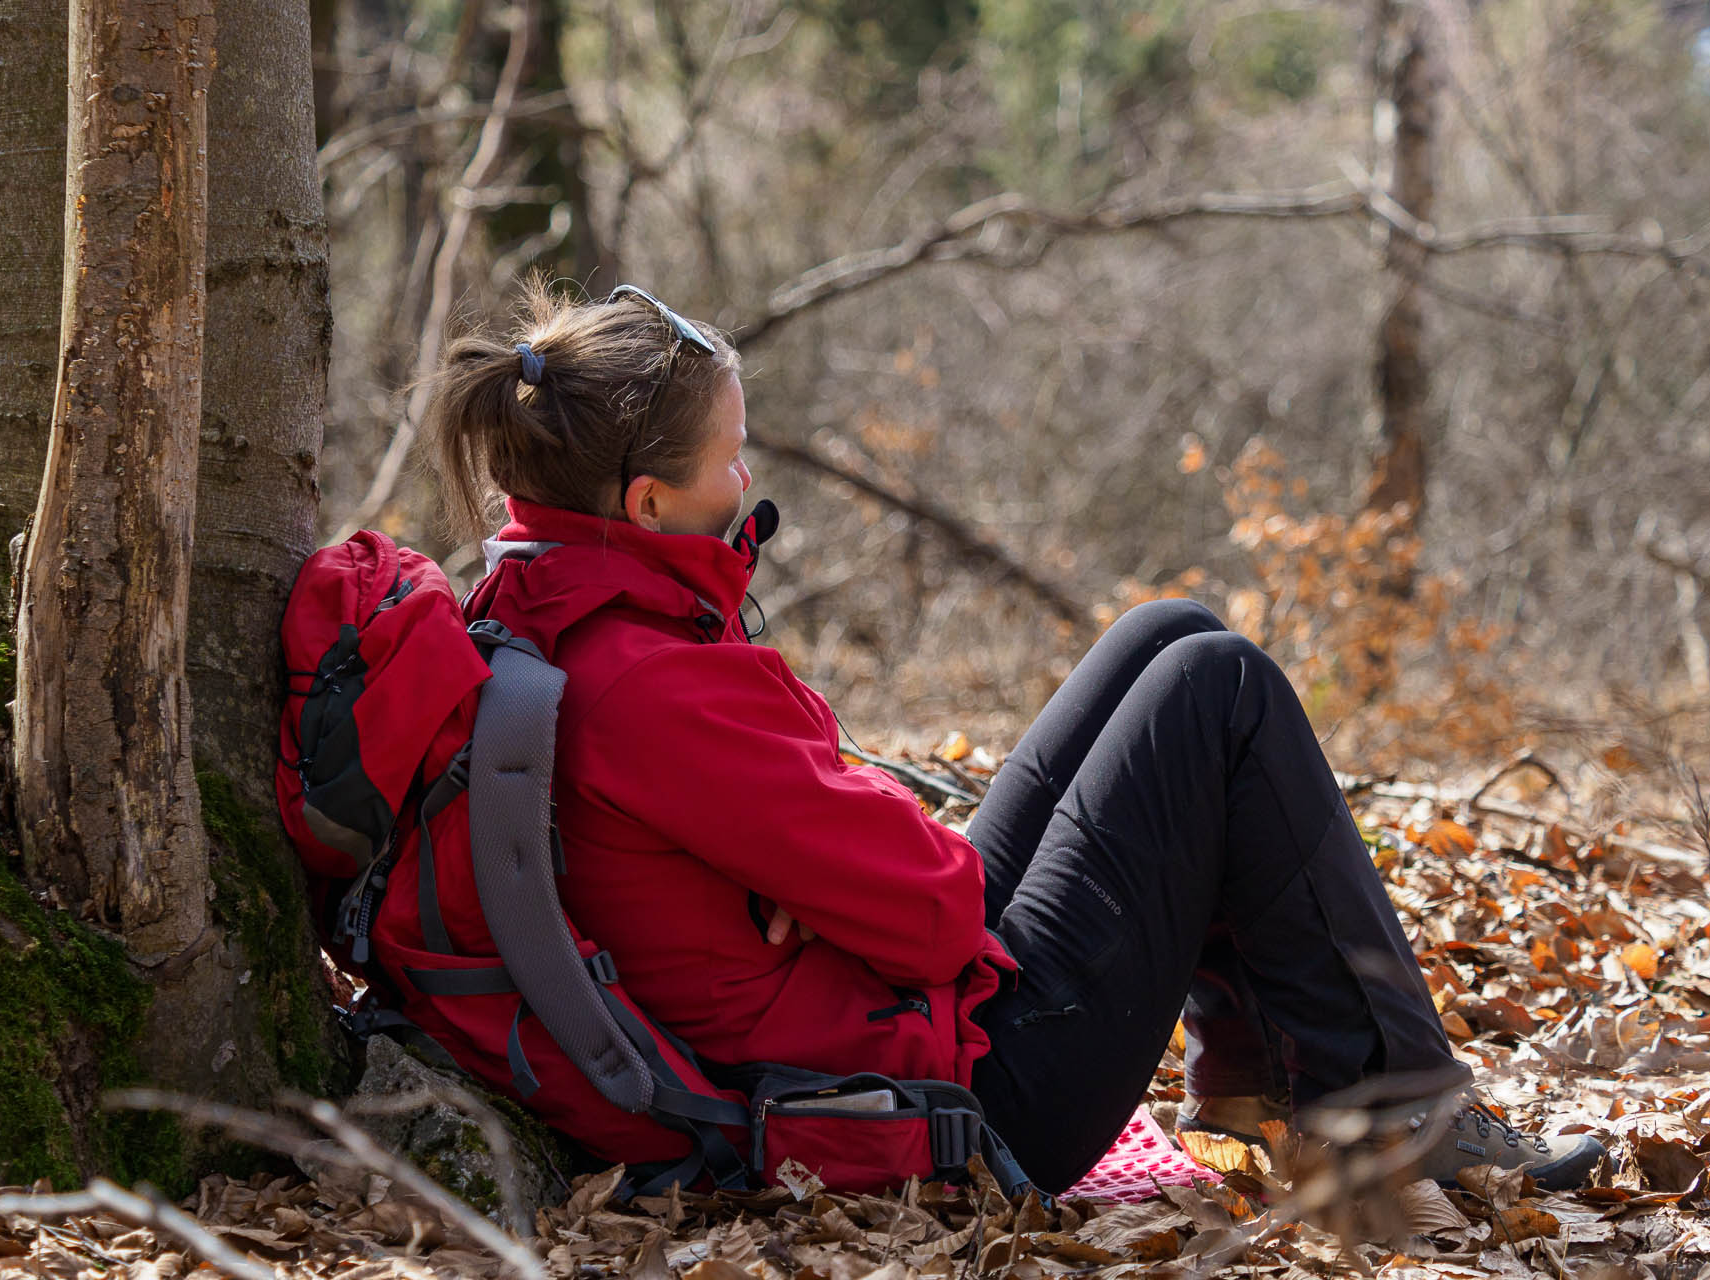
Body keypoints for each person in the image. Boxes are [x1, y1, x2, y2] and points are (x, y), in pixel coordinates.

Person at [420, 280, 1605, 1196]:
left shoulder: (558, 605)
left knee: (1166, 631)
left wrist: (825, 867)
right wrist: (852, 863)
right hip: (965, 1088)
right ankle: (1395, 1104)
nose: (746, 476)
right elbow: (935, 907)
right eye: (730, 457)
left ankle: (1263, 1093)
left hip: (869, 998)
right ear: (646, 504)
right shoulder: (652, 681)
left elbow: (843, 826)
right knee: (1219, 687)